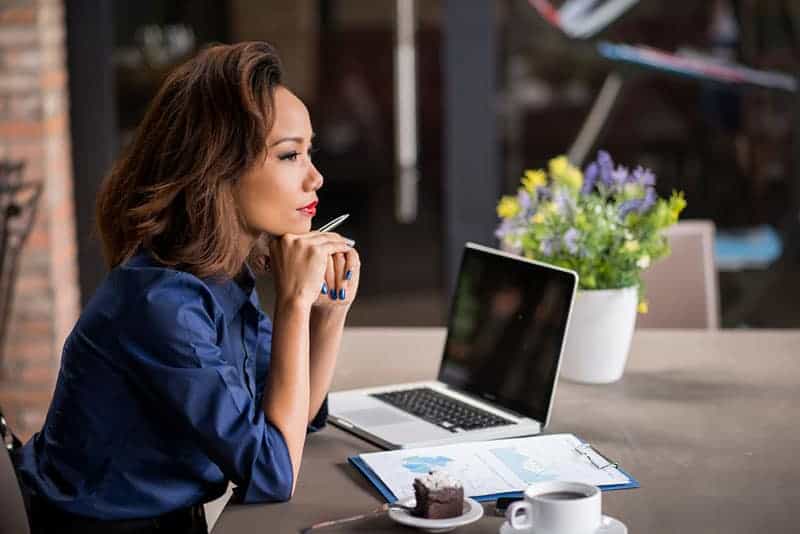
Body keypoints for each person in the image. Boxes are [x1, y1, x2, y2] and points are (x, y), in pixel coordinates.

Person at [12, 41, 360, 534]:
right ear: (220, 165)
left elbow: (294, 420)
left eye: (309, 152)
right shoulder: (163, 303)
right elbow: (273, 470)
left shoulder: (221, 276)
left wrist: (329, 311)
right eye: (290, 155)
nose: (316, 178)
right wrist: (292, 303)